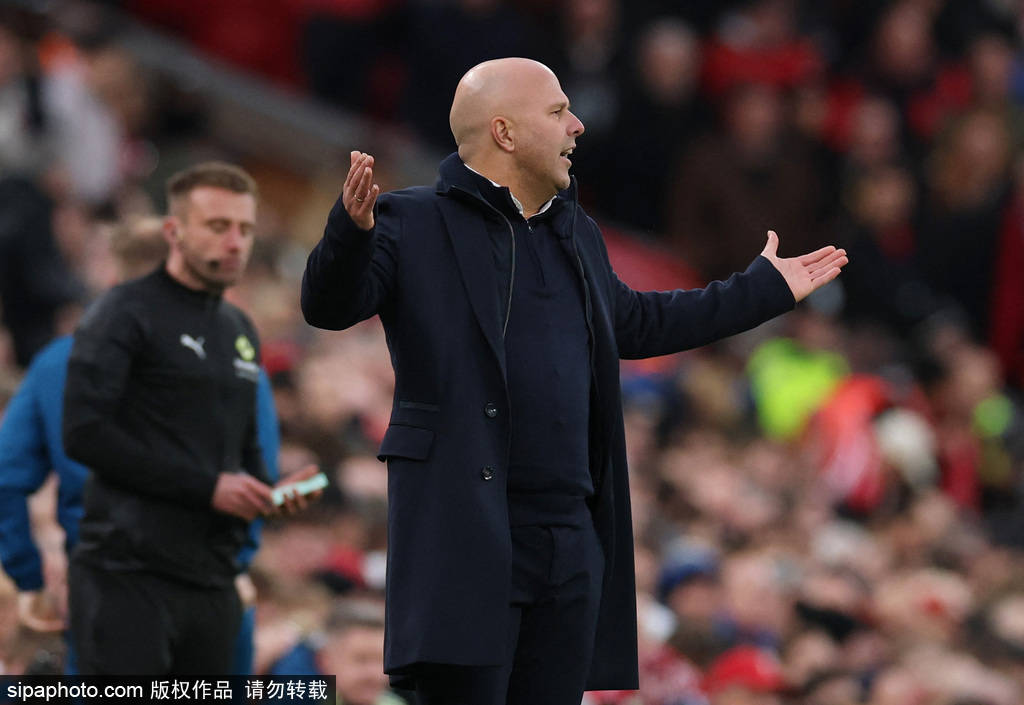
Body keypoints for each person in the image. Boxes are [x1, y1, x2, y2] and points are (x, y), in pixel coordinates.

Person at [300, 58, 847, 705]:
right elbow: (330, 306)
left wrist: (762, 290)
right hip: (464, 530)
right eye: (558, 111)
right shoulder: (410, 220)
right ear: (504, 131)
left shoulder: (576, 232)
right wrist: (350, 234)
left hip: (568, 537)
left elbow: (638, 323)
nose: (577, 125)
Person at [62, 162, 315, 675]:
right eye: (218, 226)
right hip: (127, 573)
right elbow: (85, 433)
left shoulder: (238, 328)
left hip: (212, 583)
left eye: (244, 229)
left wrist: (270, 495)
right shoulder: (123, 311)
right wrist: (208, 488)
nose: (235, 243)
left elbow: (241, 451)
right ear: (174, 231)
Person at [0, 215, 281, 674]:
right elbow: (259, 482)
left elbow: (7, 480)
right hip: (209, 588)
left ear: (116, 280)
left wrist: (32, 577)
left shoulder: (59, 362)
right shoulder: (237, 359)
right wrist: (235, 562)